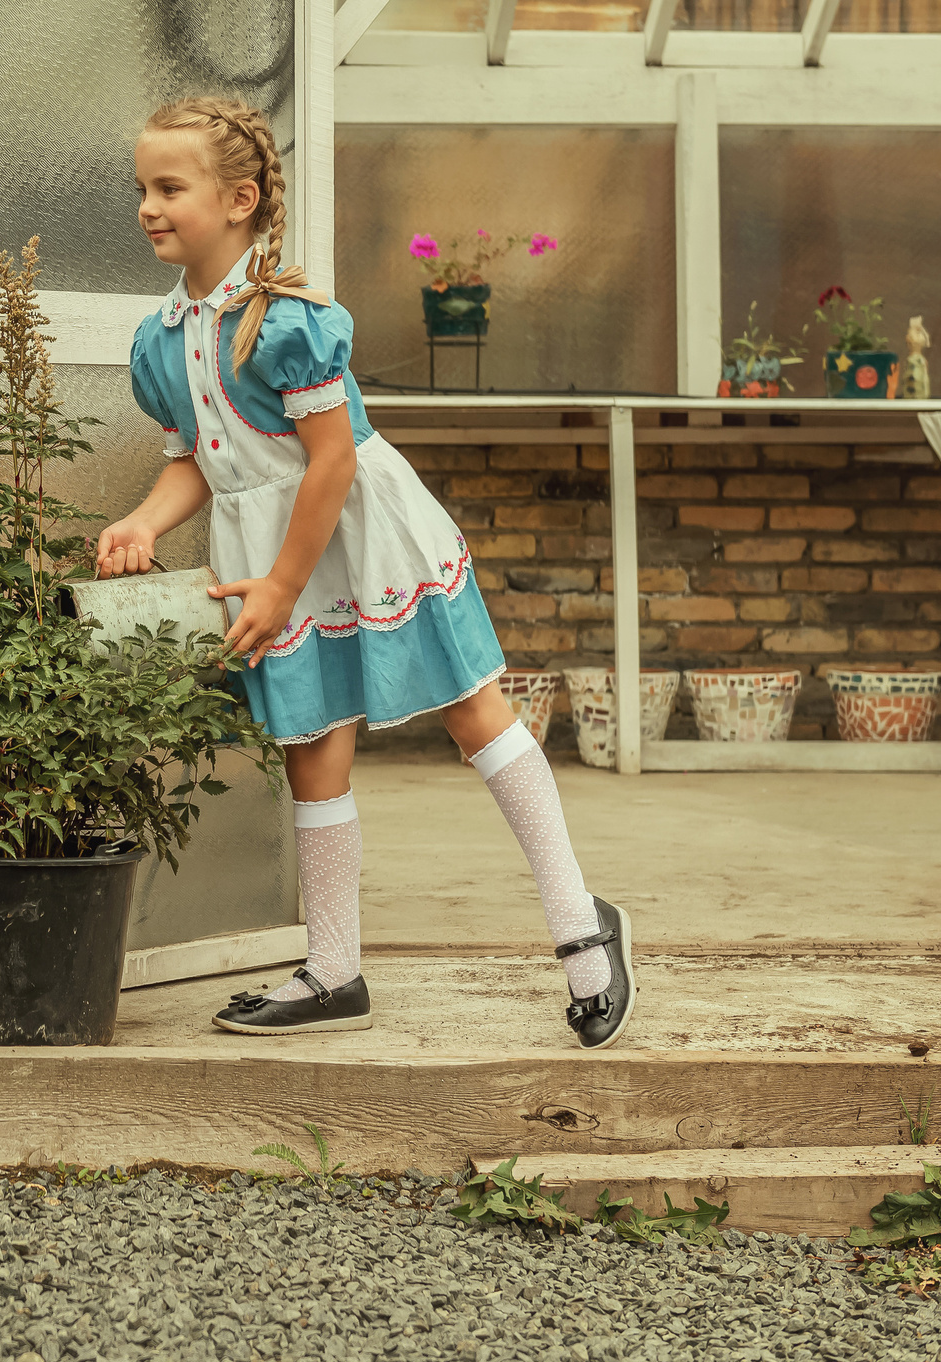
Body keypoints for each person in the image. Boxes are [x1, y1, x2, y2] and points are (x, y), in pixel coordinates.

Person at [93, 96, 635, 1048]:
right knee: (313, 745)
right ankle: (334, 968)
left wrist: (278, 586)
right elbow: (195, 460)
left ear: (239, 199)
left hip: (363, 537)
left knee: (474, 710)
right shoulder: (164, 340)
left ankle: (583, 926)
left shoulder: (293, 322)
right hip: (272, 558)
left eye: (168, 187)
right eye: (141, 187)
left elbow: (333, 461)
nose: (148, 204)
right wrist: (140, 520)